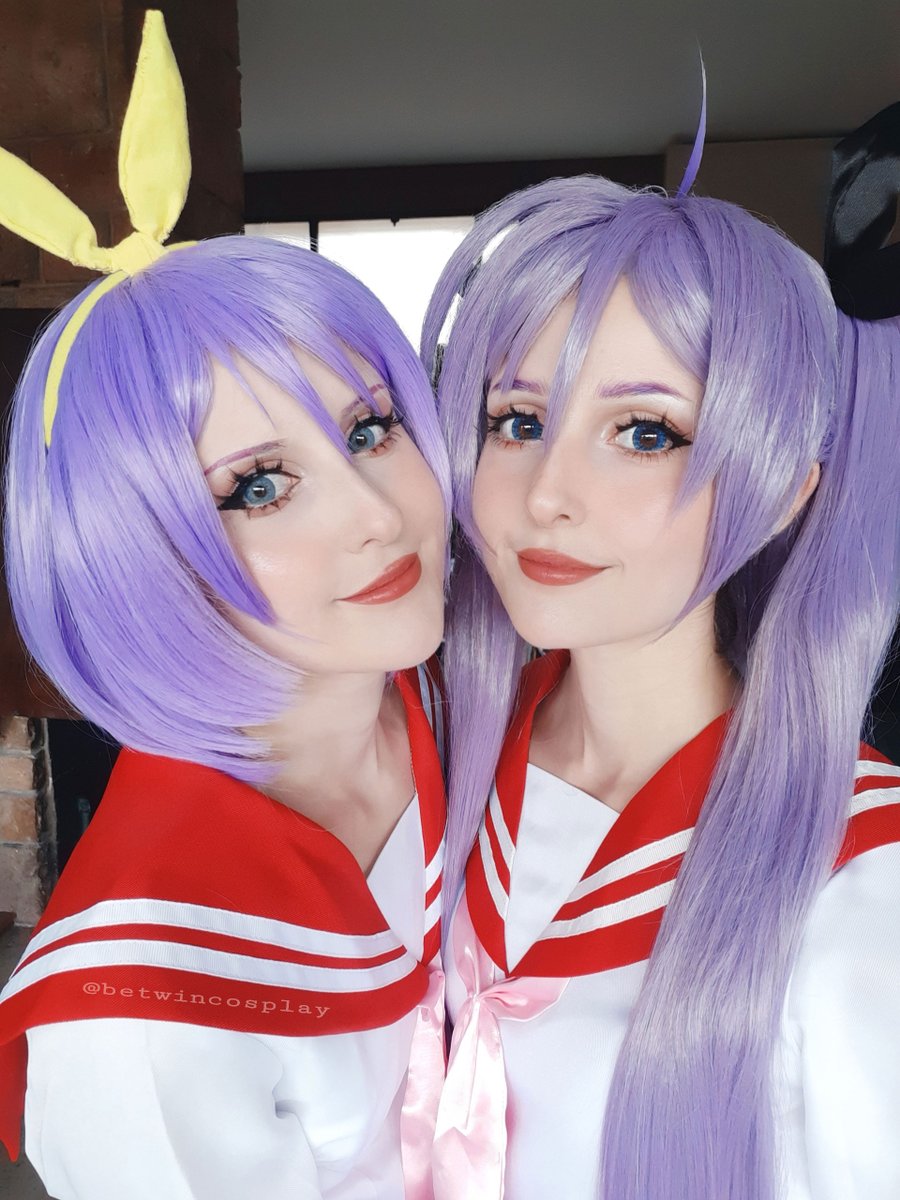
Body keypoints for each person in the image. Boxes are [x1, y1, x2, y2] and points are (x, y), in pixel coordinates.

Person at [0, 15, 449, 1200]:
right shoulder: (133, 1014)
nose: (376, 513)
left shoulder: (486, 714)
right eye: (257, 486)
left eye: (371, 427)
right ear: (137, 553)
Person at [420, 152, 900, 1199]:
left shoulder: (865, 886)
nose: (547, 493)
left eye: (645, 433)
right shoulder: (431, 768)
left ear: (783, 489)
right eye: (517, 422)